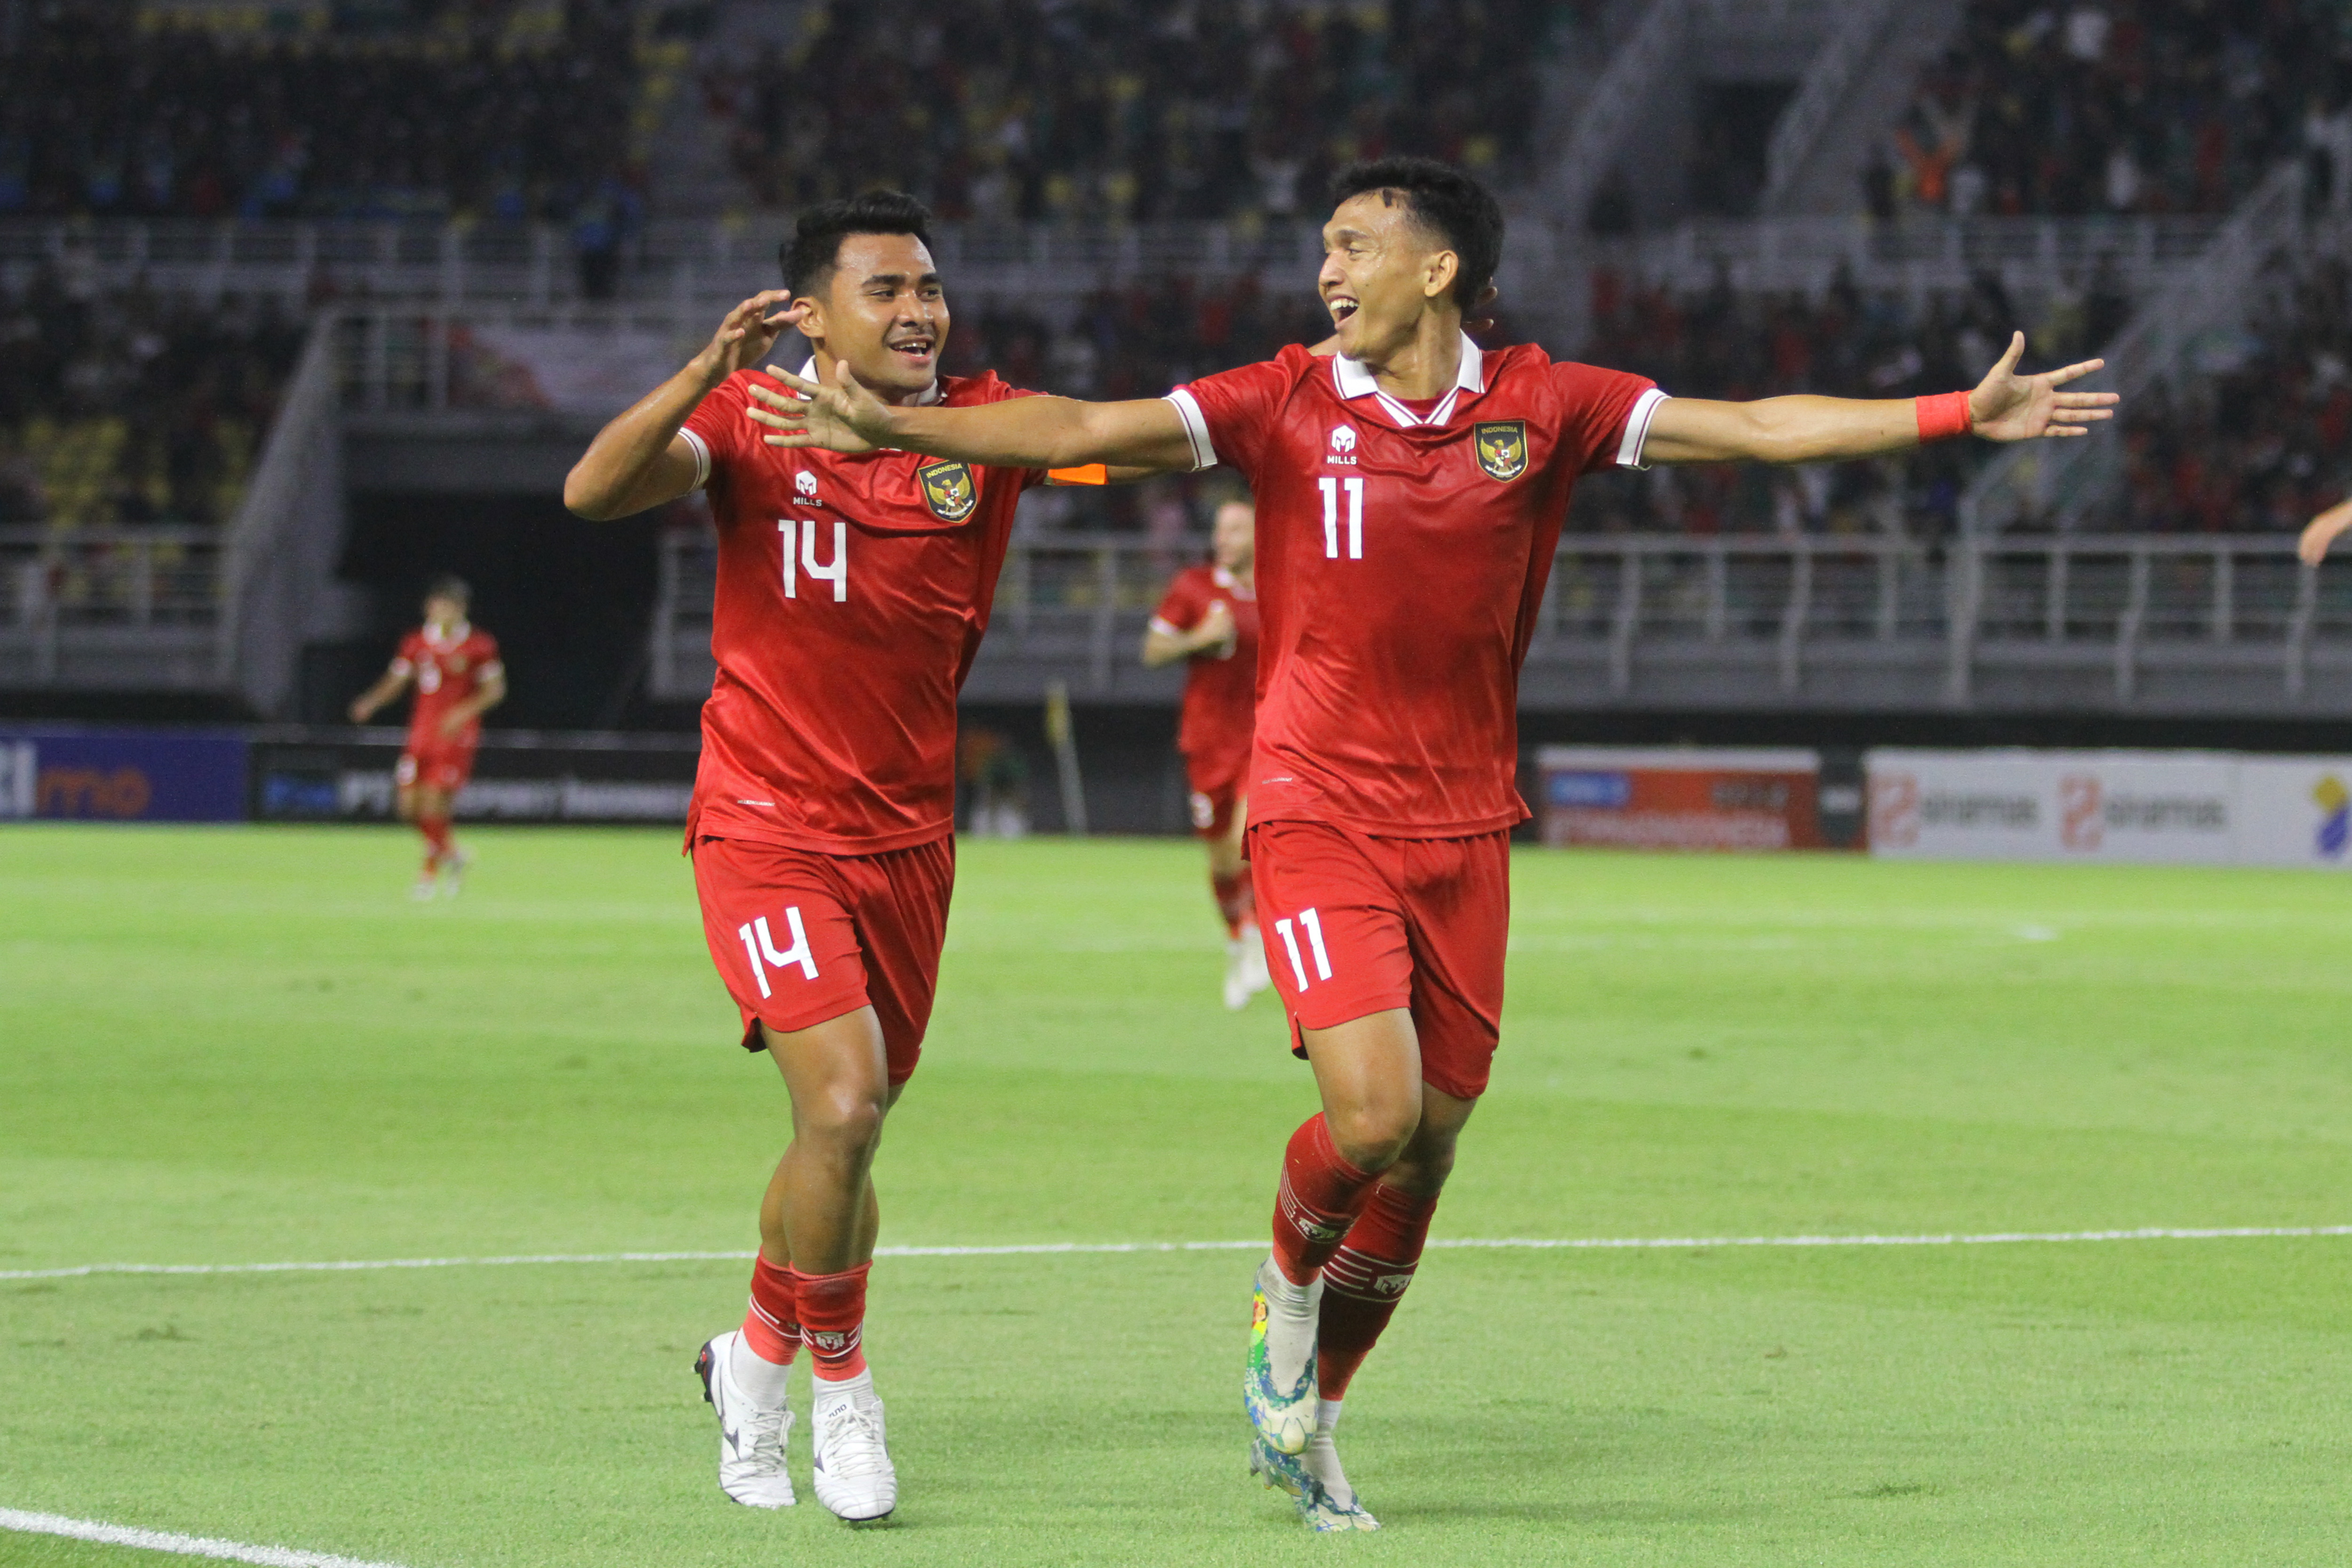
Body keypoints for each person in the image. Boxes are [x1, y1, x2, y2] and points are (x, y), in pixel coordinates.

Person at [753, 156, 2118, 1532]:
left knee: (1432, 1147)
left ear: (1437, 268)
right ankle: (1283, 1293)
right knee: (1374, 1114)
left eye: (1353, 245)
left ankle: (1319, 1416)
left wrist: (1955, 413)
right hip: (1313, 807)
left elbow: (1757, 428)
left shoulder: (1545, 404)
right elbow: (1084, 427)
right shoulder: (1284, 398)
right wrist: (900, 427)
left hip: (1466, 823)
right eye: (1326, 247)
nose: (1327, 271)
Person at [562, 189, 1154, 1524]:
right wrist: (700, 374)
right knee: (841, 1106)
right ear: (812, 315)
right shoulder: (750, 419)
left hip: (909, 842)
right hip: (767, 823)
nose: (919, 310)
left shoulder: (981, 427)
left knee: (847, 1133)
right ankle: (841, 1391)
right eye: (885, 289)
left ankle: (751, 1355)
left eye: (928, 286)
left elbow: (1113, 450)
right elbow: (594, 490)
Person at [1143, 488, 1270, 1009]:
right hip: (1207, 740)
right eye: (1219, 530)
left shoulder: (1280, 589)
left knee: (1250, 838)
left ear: (1260, 534)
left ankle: (1259, 933)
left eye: (1235, 529)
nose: (1223, 539)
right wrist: (1200, 639)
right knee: (1220, 859)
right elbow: (1153, 650)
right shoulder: (1193, 587)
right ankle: (1239, 939)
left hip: (1264, 739)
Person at [347, 576, 504, 899]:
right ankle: (453, 855)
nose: (438, 611)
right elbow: (397, 681)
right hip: (421, 734)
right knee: (407, 808)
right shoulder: (416, 643)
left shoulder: (479, 646)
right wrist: (371, 702)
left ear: (460, 609)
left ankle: (428, 874)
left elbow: (495, 691)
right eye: (435, 605)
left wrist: (462, 713)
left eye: (446, 606)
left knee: (434, 804)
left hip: (455, 736)